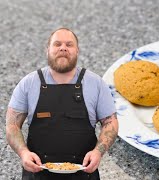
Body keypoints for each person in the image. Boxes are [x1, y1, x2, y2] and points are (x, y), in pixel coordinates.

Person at [5, 28, 118, 180]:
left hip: (84, 173)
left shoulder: (96, 83)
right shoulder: (28, 83)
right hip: (37, 173)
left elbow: (110, 122)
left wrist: (98, 152)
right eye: (57, 44)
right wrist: (23, 153)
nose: (63, 47)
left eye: (69, 44)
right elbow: (12, 125)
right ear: (48, 50)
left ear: (77, 50)